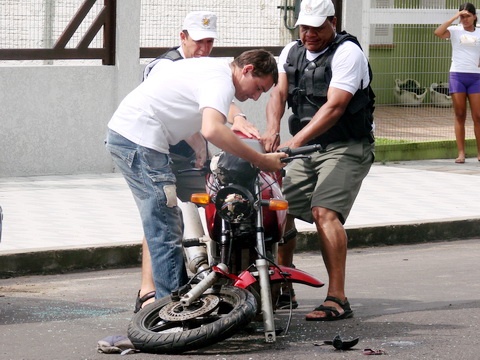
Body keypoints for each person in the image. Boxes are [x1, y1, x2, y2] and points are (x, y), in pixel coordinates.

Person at [106, 49, 287, 302]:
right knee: (165, 226)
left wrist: (199, 146)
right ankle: (169, 311)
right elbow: (212, 128)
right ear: (246, 70)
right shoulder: (221, 81)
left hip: (136, 137)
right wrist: (260, 159)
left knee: (168, 220)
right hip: (139, 141)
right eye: (258, 87)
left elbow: (180, 106)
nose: (256, 97)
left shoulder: (212, 69)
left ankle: (170, 300)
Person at [134, 11, 260, 312]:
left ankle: (218, 283)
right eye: (198, 41)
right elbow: (169, 107)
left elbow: (220, 99)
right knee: (163, 218)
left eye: (210, 42)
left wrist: (238, 118)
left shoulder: (209, 67)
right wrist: (201, 142)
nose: (204, 48)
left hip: (196, 156)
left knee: (219, 209)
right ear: (183, 37)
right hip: (164, 152)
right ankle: (149, 291)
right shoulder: (164, 66)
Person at [261, 0, 375, 320]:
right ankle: (283, 283)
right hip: (305, 147)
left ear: (333, 22)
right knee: (277, 208)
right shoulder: (290, 52)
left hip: (346, 145)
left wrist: (293, 142)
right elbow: (279, 95)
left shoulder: (347, 53)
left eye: (316, 26)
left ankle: (337, 298)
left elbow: (335, 107)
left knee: (324, 211)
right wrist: (272, 130)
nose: (309, 33)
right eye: (304, 26)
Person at [434, 3, 480, 164]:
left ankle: (479, 153)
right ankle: (461, 153)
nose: (465, 19)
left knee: (478, 116)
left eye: (468, 16)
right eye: (462, 16)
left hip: (476, 78)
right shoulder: (454, 30)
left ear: (474, 16)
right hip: (457, 76)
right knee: (460, 114)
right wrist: (454, 17)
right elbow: (438, 33)